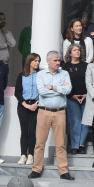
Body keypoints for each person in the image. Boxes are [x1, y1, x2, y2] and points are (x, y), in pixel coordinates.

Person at [29, 51, 75, 180]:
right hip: (43, 111)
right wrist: (59, 89)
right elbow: (42, 92)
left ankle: (63, 171)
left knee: (60, 144)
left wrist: (52, 87)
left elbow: (68, 90)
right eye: (55, 60)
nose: (58, 63)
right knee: (39, 143)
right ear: (48, 61)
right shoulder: (40, 75)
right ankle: (36, 170)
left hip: (60, 112)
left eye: (59, 60)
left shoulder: (64, 73)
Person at [61, 43, 89, 154]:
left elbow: (91, 81)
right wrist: (72, 95)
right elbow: (63, 83)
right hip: (72, 98)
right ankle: (74, 145)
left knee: (85, 122)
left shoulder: (86, 65)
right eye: (74, 50)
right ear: (70, 53)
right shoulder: (65, 67)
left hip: (86, 97)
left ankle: (81, 145)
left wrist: (87, 94)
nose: (77, 51)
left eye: (78, 50)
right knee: (75, 121)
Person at [14, 53, 42, 164]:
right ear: (29, 62)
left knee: (32, 131)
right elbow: (17, 92)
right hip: (23, 106)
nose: (37, 63)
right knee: (24, 131)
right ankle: (23, 155)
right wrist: (25, 104)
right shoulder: (21, 75)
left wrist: (36, 103)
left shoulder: (40, 75)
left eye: (38, 61)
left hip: (36, 105)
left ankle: (31, 155)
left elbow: (42, 91)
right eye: (35, 60)